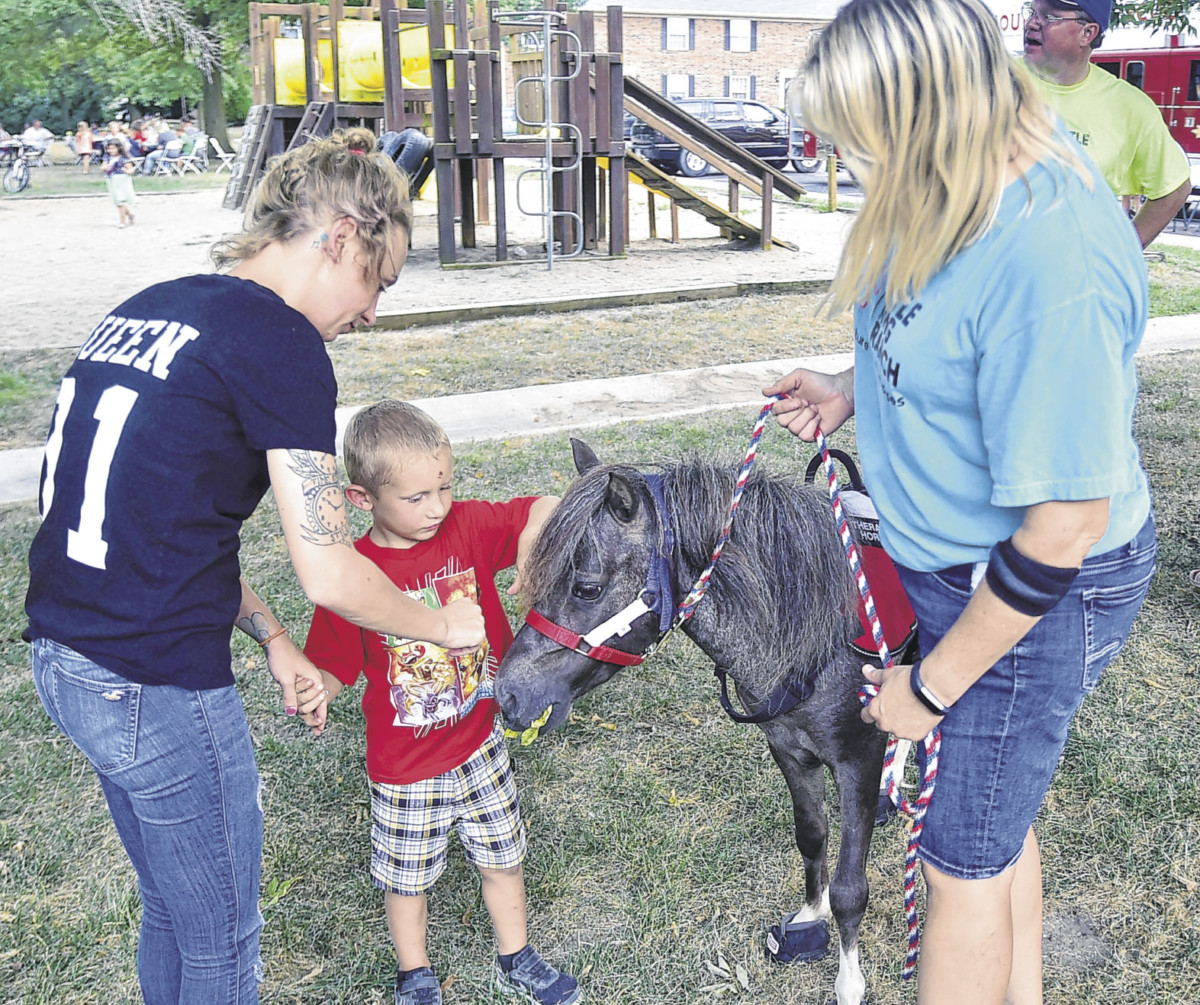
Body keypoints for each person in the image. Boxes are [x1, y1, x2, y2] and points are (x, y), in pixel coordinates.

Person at [24, 135, 486, 1004]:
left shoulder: (154, 303)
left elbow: (160, 524)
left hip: (65, 653)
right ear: (342, 237)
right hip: (151, 679)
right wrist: (445, 626)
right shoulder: (280, 343)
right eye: (377, 282)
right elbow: (333, 572)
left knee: (172, 910)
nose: (373, 314)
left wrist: (270, 634)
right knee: (222, 944)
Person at [765, 1, 1156, 1002]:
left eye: (863, 140)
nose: (849, 164)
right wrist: (857, 390)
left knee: (958, 860)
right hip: (952, 568)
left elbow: (1062, 527)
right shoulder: (951, 181)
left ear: (930, 114)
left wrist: (928, 689)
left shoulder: (1052, 258)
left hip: (1030, 599)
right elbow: (946, 329)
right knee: (994, 823)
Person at [294, 400, 578, 1005]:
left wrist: (531, 535)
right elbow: (337, 662)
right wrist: (319, 685)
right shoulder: (354, 574)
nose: (438, 508)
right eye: (417, 497)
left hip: (480, 746)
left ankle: (517, 955)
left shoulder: (466, 528)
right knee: (407, 880)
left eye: (445, 487)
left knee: (503, 856)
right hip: (404, 768)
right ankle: (415, 974)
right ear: (362, 499)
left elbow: (545, 507)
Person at [1022, 0, 1191, 247]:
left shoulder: (1130, 106)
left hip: (1072, 277)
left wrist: (1125, 251)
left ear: (1088, 33)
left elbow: (1174, 189)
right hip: (986, 272)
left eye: (1050, 17)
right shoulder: (991, 79)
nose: (1032, 23)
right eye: (1032, 12)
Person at [102, 139, 137, 227]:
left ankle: (122, 221)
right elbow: (102, 167)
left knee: (120, 200)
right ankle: (130, 215)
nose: (111, 151)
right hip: (111, 179)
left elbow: (131, 170)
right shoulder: (107, 157)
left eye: (113, 148)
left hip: (121, 180)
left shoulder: (124, 158)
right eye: (109, 149)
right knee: (117, 201)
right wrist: (106, 167)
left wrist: (126, 171)